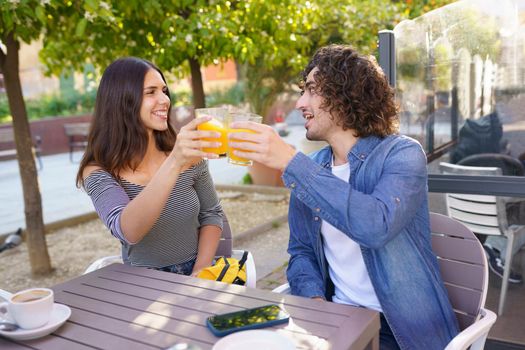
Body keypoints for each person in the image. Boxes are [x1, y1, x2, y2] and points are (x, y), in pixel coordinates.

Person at [228, 45, 458, 349]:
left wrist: (290, 161)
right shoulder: (313, 168)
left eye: (311, 89)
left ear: (345, 94)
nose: (300, 103)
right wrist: (314, 301)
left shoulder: (402, 154)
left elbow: (375, 225)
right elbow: (301, 252)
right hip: (336, 319)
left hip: (399, 329)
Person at [77, 57, 224, 277]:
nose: (164, 100)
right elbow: (129, 231)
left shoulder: (188, 156)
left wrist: (200, 270)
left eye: (164, 91)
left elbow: (211, 214)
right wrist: (174, 162)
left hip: (198, 271)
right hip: (143, 281)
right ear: (121, 100)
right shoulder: (99, 170)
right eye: (151, 92)